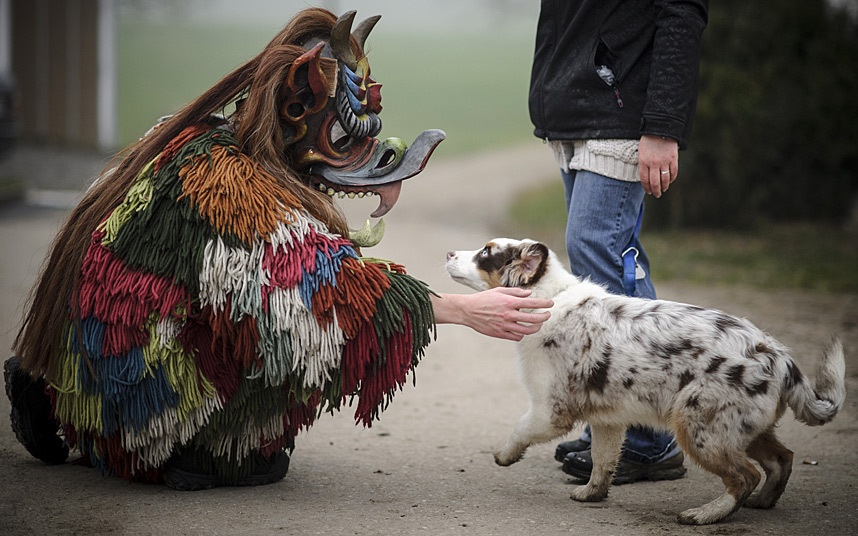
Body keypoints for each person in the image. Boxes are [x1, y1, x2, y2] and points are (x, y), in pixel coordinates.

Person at [4, 7, 552, 491]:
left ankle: (54, 392)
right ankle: (136, 429)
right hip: (146, 395)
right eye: (342, 139)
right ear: (294, 112)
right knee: (257, 414)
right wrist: (461, 309)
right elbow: (323, 292)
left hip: (113, 365)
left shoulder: (203, 140)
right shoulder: (225, 183)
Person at [528, 0, 708, 483]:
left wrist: (663, 125)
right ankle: (623, 428)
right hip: (578, 104)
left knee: (599, 252)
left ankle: (647, 439)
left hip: (620, 108)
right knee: (606, 261)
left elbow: (681, 14)